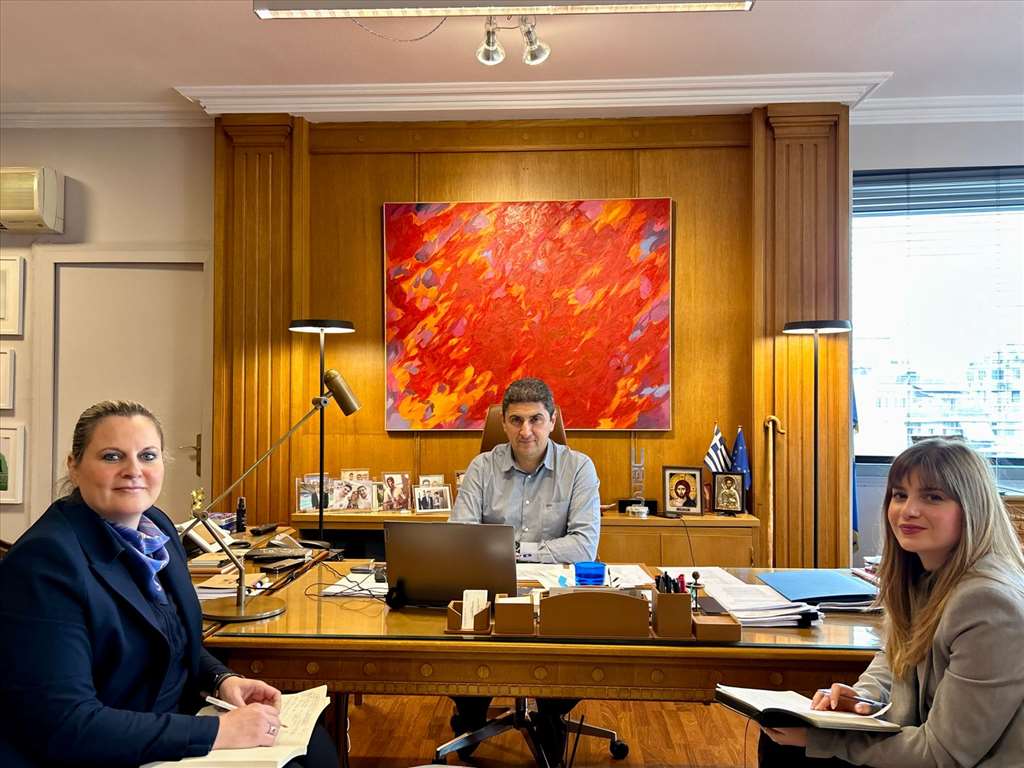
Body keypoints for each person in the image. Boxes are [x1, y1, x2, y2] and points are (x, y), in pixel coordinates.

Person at [0, 401, 339, 768]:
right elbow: (67, 726)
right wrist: (219, 732)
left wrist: (222, 679)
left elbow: (173, 639)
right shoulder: (45, 562)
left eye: (147, 456)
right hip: (107, 749)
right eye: (112, 456)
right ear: (74, 466)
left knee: (315, 744)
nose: (133, 471)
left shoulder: (156, 528)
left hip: (170, 720)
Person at [760, 438, 1024, 767]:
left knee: (795, 748)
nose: (908, 510)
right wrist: (862, 698)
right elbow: (894, 661)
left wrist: (827, 739)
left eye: (933, 497)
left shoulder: (988, 603)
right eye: (900, 495)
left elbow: (944, 755)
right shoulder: (923, 576)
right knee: (783, 731)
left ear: (973, 508)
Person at [449, 377, 601, 765]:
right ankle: (472, 712)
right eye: (516, 420)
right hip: (489, 590)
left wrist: (512, 551)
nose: (526, 431)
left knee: (570, 655)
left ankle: (551, 714)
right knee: (458, 643)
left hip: (556, 593)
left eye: (535, 419)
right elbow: (460, 536)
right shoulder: (482, 467)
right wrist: (530, 554)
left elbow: (584, 545)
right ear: (503, 423)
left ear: (553, 420)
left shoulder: (578, 468)